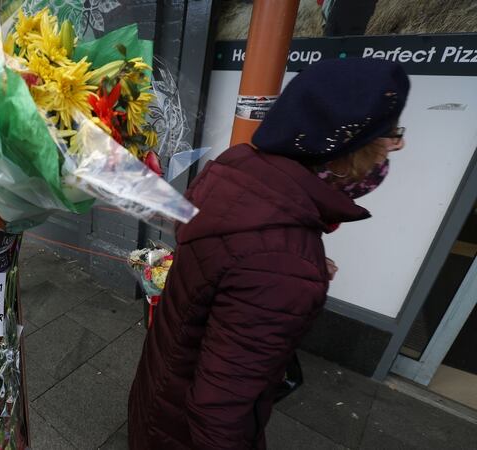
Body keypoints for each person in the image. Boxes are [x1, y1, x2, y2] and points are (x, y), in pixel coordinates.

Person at [128, 58, 409, 449]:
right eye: (391, 134)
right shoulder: (284, 262)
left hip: (160, 389)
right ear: (346, 153)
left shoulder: (236, 169)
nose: (397, 146)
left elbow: (230, 266)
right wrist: (291, 268)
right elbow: (219, 412)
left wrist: (292, 262)